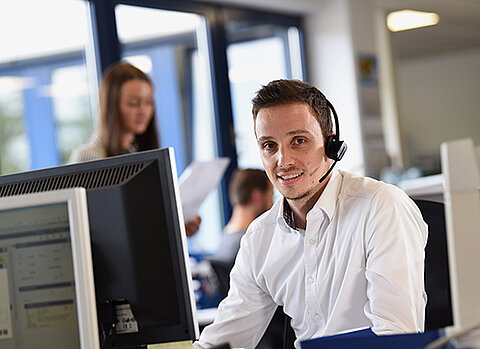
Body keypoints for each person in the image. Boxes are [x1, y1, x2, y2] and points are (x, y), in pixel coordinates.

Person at [194, 79, 428, 349]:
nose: (283, 161)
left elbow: (396, 336)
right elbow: (225, 338)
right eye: (269, 145)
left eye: (299, 141)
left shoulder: (381, 207)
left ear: (331, 147)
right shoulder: (260, 239)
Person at [70, 61, 200, 236]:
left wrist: (177, 226)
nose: (144, 111)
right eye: (133, 103)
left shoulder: (138, 154)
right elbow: (98, 229)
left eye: (148, 102)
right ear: (111, 106)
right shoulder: (89, 156)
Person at [208, 168, 274, 267]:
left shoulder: (226, 240)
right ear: (256, 196)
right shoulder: (250, 244)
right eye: (271, 197)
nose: (272, 205)